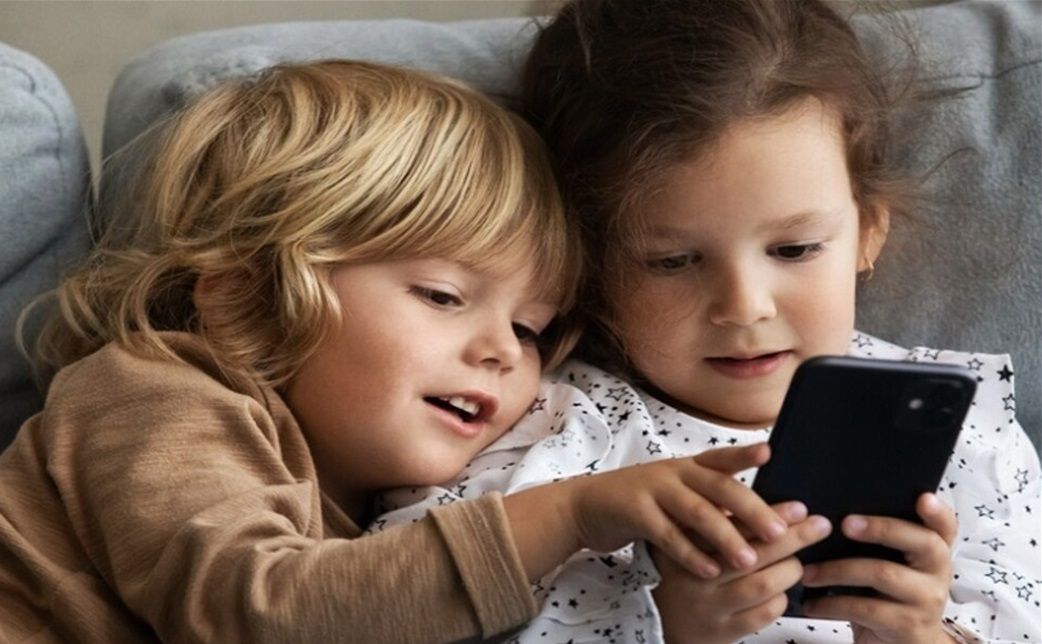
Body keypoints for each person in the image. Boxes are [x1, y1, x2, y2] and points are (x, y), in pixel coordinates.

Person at [0, 60, 811, 644]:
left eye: (530, 329)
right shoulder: (160, 391)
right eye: (442, 295)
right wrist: (569, 513)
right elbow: (259, 610)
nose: (498, 353)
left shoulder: (381, 514)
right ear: (246, 289)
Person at [375, 0, 1041, 643]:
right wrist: (663, 627)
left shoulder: (967, 424)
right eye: (673, 261)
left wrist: (921, 636)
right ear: (591, 265)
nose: (744, 307)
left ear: (868, 232)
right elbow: (384, 611)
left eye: (794, 250)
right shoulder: (533, 424)